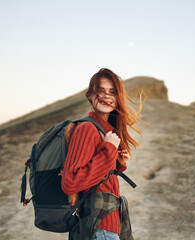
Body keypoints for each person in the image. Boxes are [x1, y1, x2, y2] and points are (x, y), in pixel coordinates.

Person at [61, 68, 142, 240]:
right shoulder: (87, 129)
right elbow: (71, 181)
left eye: (112, 92)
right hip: (99, 229)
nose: (106, 97)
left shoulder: (104, 131)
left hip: (106, 227)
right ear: (89, 95)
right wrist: (108, 151)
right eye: (100, 91)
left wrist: (117, 159)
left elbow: (97, 178)